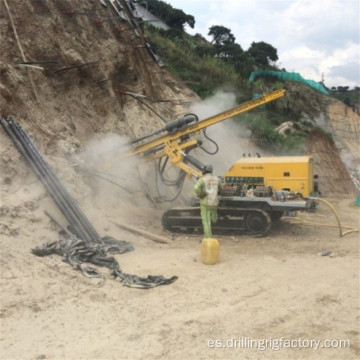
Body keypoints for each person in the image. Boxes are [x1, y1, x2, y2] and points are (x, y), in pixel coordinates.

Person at [194, 165, 222, 238]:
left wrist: (201, 194)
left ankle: (208, 238)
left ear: (204, 170)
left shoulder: (202, 180)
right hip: (215, 202)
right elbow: (220, 189)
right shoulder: (217, 179)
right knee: (214, 217)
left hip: (205, 203)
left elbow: (196, 188)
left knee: (206, 222)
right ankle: (215, 220)